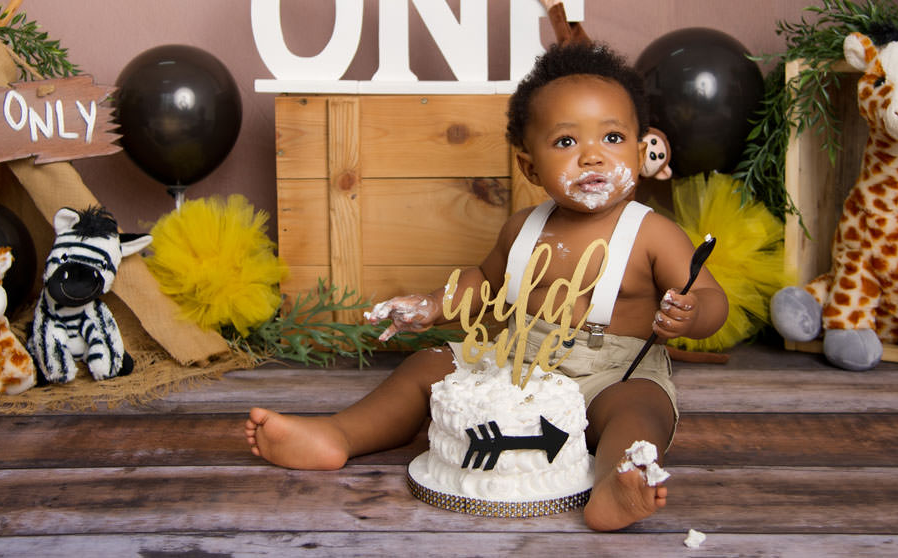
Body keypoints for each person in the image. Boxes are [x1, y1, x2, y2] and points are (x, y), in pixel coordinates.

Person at [245, 41, 728, 532]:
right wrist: (433, 305)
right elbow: (483, 284)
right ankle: (338, 434)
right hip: (520, 356)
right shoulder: (523, 229)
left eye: (612, 137)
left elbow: (712, 299)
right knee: (425, 366)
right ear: (529, 167)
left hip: (615, 369)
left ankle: (614, 484)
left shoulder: (652, 233)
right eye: (565, 142)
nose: (591, 157)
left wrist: (692, 314)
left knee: (638, 412)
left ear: (642, 148)